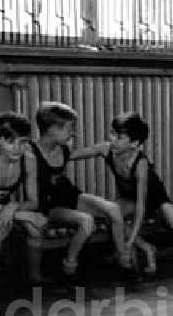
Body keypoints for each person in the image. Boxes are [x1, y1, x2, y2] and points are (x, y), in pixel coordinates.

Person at [70, 110, 173, 276]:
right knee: (111, 214)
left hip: (155, 200)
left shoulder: (140, 164)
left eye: (119, 137)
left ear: (134, 144)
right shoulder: (106, 150)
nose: (112, 139)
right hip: (129, 199)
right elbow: (71, 156)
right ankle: (145, 249)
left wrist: (132, 240)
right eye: (112, 133)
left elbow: (142, 207)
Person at [31, 102, 128, 279]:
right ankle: (69, 265)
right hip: (48, 204)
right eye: (69, 128)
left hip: (69, 196)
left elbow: (83, 153)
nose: (72, 133)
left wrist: (102, 148)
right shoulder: (30, 152)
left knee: (113, 209)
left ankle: (124, 260)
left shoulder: (63, 149)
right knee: (86, 221)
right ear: (52, 129)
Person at [0, 111, 49, 289]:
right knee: (2, 227)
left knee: (35, 229)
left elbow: (33, 202)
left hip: (3, 210)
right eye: (10, 141)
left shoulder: (28, 160)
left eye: (22, 142)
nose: (17, 148)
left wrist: (12, 207)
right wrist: (23, 215)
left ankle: (35, 278)